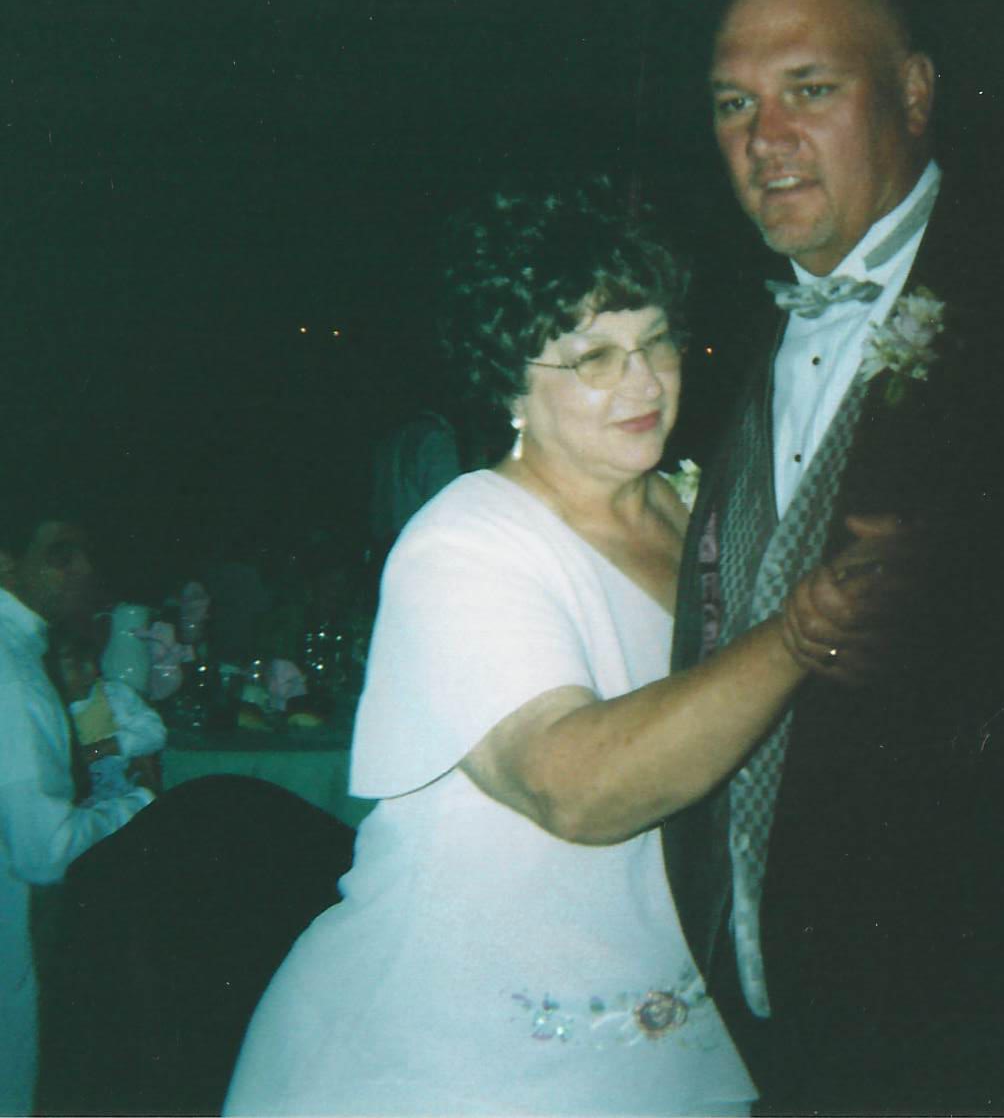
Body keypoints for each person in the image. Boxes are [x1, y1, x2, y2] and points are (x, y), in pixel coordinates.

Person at [223, 182, 906, 1117]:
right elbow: (572, 787)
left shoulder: (695, 510)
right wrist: (796, 636)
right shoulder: (465, 543)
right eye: (594, 358)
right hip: (447, 1063)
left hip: (664, 1046)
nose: (645, 383)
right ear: (510, 382)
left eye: (657, 342)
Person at [661, 0, 1004, 1111]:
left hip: (959, 996)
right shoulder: (709, 337)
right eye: (734, 102)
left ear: (914, 93)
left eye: (811, 89)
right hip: (738, 995)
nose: (765, 138)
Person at [0, 497, 155, 1114]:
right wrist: (139, 802)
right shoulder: (14, 675)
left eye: (84, 553)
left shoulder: (27, 654)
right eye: (61, 556)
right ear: (7, 565)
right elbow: (45, 852)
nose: (85, 568)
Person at [46, 626, 167, 802]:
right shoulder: (44, 711)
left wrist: (104, 747)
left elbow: (155, 733)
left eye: (93, 660)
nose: (91, 671)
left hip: (122, 797)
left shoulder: (114, 695)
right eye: (76, 666)